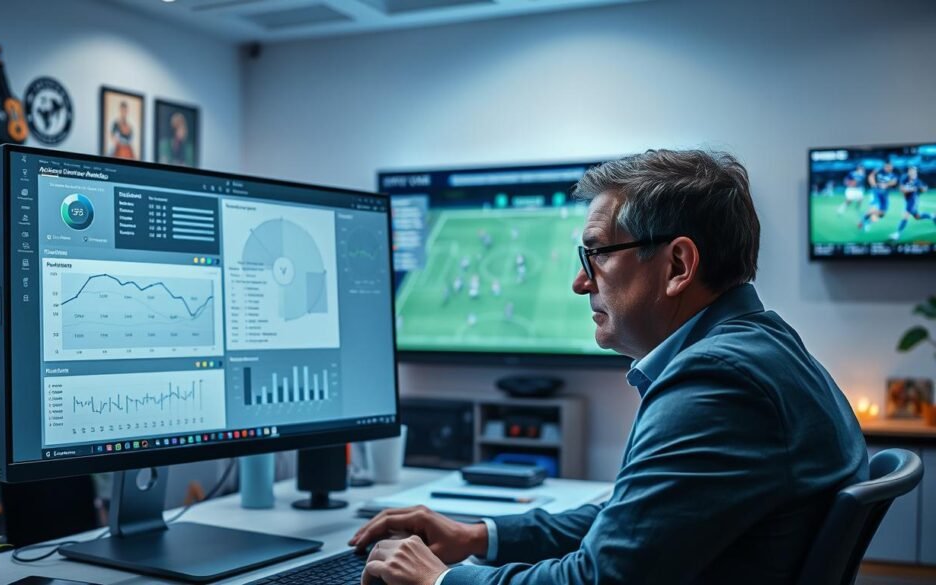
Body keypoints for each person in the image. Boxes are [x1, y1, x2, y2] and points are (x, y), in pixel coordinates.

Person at [352, 150, 868, 585]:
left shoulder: (717, 381)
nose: (581, 282)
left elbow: (598, 579)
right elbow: (639, 521)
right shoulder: (764, 345)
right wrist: (479, 536)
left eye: (597, 253)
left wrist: (440, 579)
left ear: (678, 265)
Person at [889, 165, 932, 241]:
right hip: (907, 200)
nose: (912, 172)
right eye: (910, 171)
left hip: (913, 200)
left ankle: (897, 234)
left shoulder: (917, 181)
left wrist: (922, 189)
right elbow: (901, 189)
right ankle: (932, 216)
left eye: (913, 171)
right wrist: (911, 189)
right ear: (908, 172)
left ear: (915, 172)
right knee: (917, 216)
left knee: (905, 215)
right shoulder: (904, 178)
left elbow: (925, 188)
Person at [859, 160, 898, 231]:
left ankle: (867, 221)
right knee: (873, 209)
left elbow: (894, 182)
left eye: (890, 167)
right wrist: (874, 186)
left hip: (884, 196)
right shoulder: (879, 171)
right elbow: (870, 176)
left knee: (882, 214)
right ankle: (862, 221)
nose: (889, 168)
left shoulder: (893, 175)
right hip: (876, 193)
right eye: (888, 167)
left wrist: (886, 184)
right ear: (885, 166)